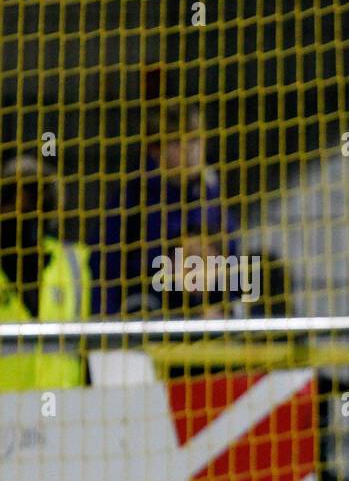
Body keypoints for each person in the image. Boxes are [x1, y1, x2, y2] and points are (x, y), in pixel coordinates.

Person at [94, 99, 240, 314]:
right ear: (155, 149)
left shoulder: (211, 195)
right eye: (178, 142)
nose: (191, 151)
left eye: (196, 141)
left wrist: (227, 309)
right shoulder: (133, 200)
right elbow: (105, 270)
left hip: (205, 323)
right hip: (145, 319)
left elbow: (233, 260)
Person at [0, 155, 92, 391]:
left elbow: (84, 345)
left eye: (36, 198)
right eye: (14, 199)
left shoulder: (73, 262)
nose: (25, 209)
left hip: (61, 410)